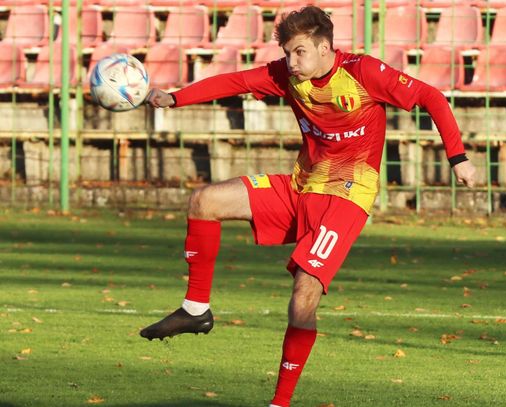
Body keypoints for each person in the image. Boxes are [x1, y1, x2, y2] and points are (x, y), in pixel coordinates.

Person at [140, 6, 476, 406]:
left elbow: (430, 96)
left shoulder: (364, 72)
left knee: (303, 294)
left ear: (324, 48)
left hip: (347, 197)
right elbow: (235, 81)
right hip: (302, 186)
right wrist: (175, 98)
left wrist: (457, 157)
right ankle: (196, 309)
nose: (291, 62)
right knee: (204, 201)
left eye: (299, 52)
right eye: (287, 53)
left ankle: (280, 402)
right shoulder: (288, 76)